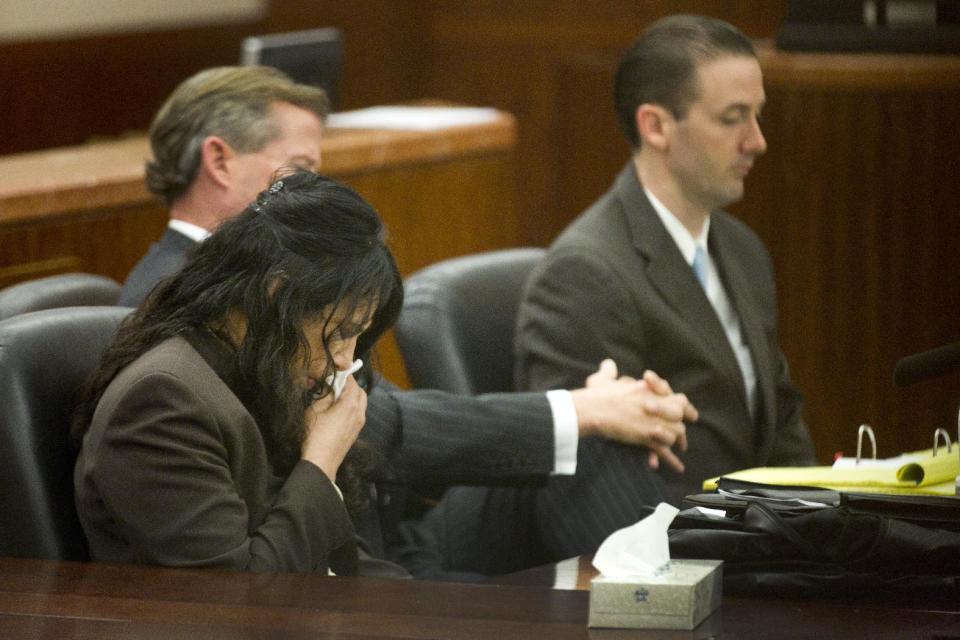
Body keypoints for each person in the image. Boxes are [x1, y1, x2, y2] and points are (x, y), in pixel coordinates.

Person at [109, 65, 698, 568]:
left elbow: (365, 409)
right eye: (300, 172)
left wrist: (586, 416)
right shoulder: (176, 314)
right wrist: (579, 411)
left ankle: (680, 596)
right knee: (588, 442)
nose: (343, 359)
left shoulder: (291, 297)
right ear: (219, 159)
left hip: (375, 541)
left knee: (592, 452)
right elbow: (376, 427)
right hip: (342, 565)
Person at [403, 14, 818, 578]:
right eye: (732, 119)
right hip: (677, 559)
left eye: (757, 115)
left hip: (763, 540)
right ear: (656, 126)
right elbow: (587, 472)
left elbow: (781, 413)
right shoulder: (585, 272)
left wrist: (821, 528)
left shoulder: (743, 250)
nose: (757, 141)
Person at [74, 171, 403, 574]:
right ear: (277, 294)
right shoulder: (161, 402)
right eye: (339, 333)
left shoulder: (257, 370)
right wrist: (320, 461)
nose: (344, 359)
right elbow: (240, 594)